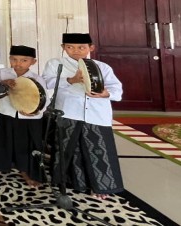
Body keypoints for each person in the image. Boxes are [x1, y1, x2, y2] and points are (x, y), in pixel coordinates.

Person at [42, 33, 124, 199]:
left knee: (98, 150)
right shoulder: (56, 64)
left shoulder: (102, 67)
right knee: (67, 148)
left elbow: (116, 89)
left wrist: (105, 93)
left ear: (90, 48)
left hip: (96, 113)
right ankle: (69, 182)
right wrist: (71, 80)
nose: (76, 51)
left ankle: (101, 186)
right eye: (70, 47)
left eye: (81, 47)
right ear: (63, 48)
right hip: (68, 111)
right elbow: (47, 83)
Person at [0, 45, 48, 187]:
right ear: (9, 59)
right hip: (6, 113)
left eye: (24, 60)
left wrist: (35, 112)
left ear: (33, 62)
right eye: (14, 59)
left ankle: (26, 171)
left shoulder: (37, 78)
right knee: (2, 142)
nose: (18, 63)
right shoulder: (2, 73)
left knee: (25, 145)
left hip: (28, 118)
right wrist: (3, 83)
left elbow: (45, 100)